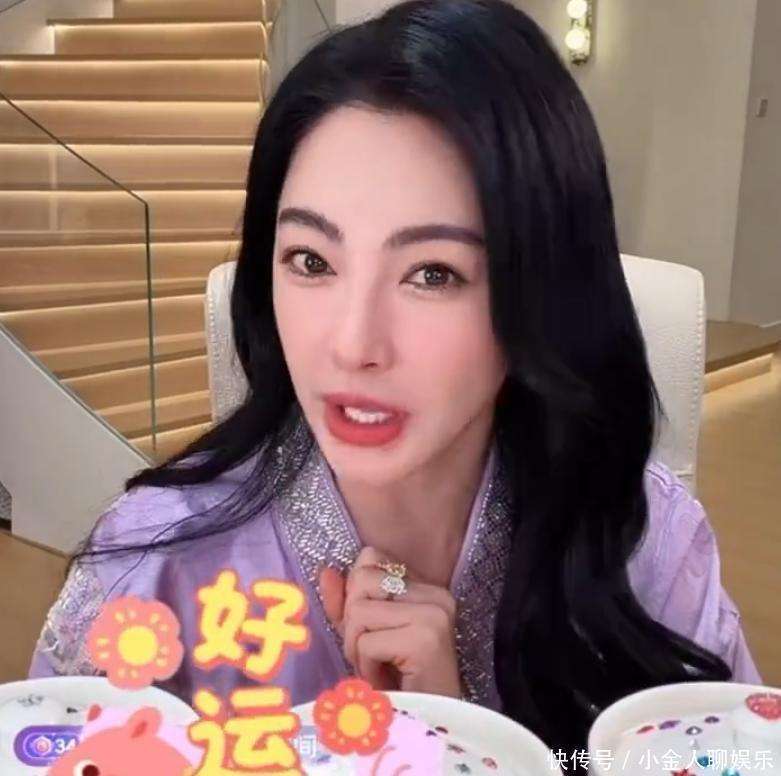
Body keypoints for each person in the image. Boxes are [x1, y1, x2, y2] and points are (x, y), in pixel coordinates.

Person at [29, 0, 760, 756]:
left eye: (432, 274)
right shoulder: (155, 566)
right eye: (311, 260)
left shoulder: (642, 544)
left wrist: (456, 743)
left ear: (541, 290)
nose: (353, 345)